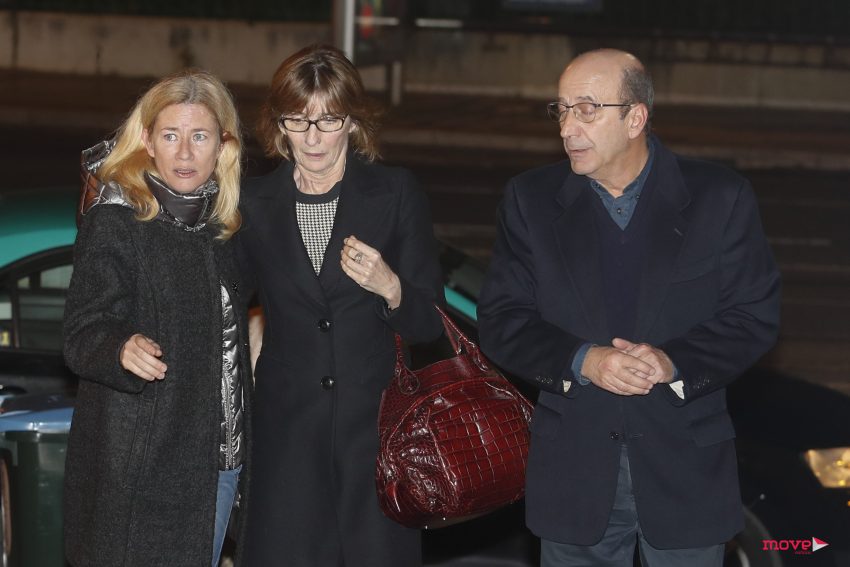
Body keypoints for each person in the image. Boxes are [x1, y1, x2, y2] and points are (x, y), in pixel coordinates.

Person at [477, 48, 781, 567]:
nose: (567, 128)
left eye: (586, 110)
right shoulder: (530, 199)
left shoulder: (719, 197)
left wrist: (672, 362)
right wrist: (585, 360)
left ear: (635, 118)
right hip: (574, 475)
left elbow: (752, 315)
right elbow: (503, 320)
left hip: (687, 473)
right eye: (561, 110)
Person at [235, 44, 444, 567]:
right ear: (279, 124)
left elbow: (431, 324)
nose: (312, 138)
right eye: (298, 120)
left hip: (376, 439)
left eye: (328, 121)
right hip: (286, 439)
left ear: (352, 121)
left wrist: (391, 286)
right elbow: (218, 297)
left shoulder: (395, 193)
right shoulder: (252, 203)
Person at [63, 69, 251, 566]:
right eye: (170, 136)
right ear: (147, 141)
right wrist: (119, 347)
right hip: (143, 468)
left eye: (200, 137)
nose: (185, 153)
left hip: (219, 465)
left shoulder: (224, 227)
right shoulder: (117, 219)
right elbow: (83, 331)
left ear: (223, 145)